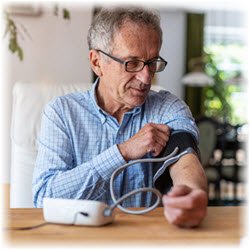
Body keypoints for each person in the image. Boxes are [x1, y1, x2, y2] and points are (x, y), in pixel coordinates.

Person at [32, 6, 208, 228]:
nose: (146, 78)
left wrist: (192, 195)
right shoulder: (62, 113)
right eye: (132, 63)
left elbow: (185, 162)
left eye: (152, 63)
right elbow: (43, 200)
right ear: (97, 62)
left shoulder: (168, 107)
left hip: (147, 240)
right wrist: (122, 152)